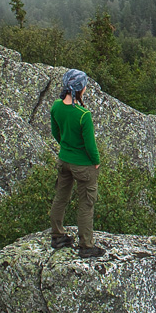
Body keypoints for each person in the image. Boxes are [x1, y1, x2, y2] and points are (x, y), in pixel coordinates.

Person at [48, 69, 105, 258]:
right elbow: (90, 145)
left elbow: (56, 133)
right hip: (83, 165)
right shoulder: (83, 114)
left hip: (64, 160)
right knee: (86, 204)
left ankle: (57, 236)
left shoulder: (56, 106)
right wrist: (96, 161)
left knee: (61, 197)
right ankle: (86, 246)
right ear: (80, 89)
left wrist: (66, 147)